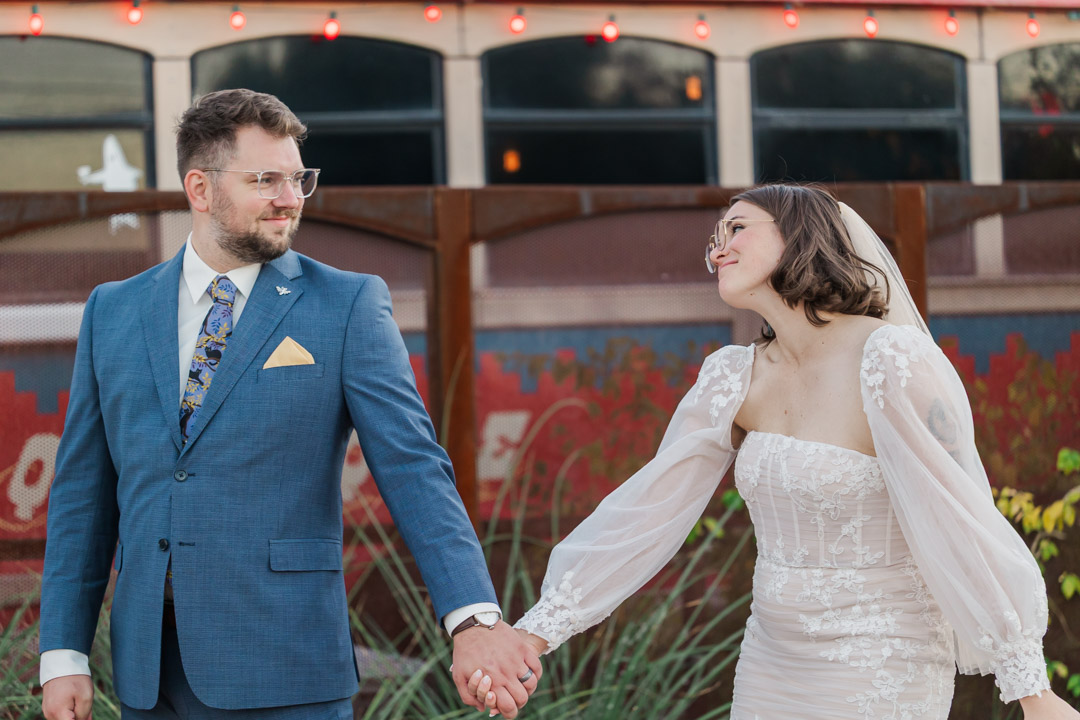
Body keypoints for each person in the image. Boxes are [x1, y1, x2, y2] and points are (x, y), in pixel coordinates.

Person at [470, 184, 1078, 719]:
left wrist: (1031, 689)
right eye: (714, 237)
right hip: (770, 663)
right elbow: (650, 506)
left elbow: (961, 517)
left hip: (882, 663)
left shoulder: (892, 361)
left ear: (801, 239)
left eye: (737, 229)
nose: (717, 249)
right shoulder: (732, 377)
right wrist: (536, 632)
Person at [38, 88, 540, 720]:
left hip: (288, 669)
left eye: (298, 178)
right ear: (201, 188)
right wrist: (63, 653)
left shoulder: (348, 304)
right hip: (148, 676)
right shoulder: (113, 310)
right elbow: (82, 491)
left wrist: (472, 620)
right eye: (265, 180)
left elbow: (414, 466)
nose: (290, 198)